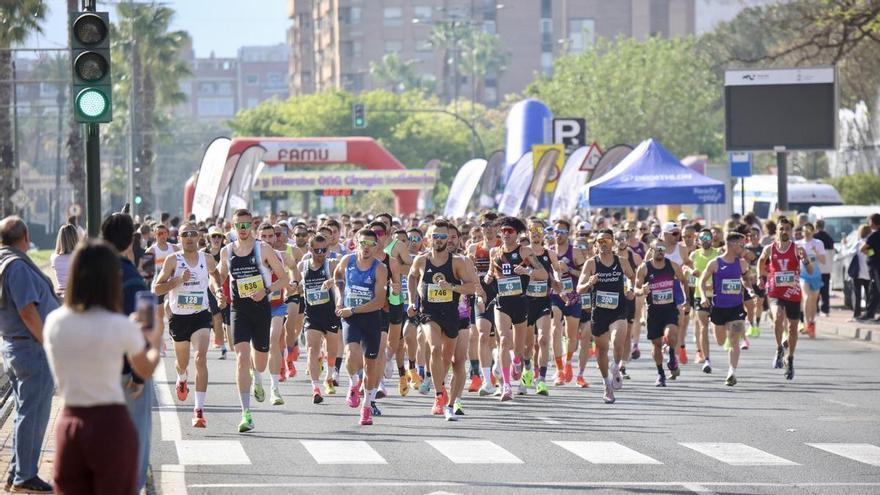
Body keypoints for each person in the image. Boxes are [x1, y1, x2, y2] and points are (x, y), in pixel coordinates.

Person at [43, 240, 162, 495]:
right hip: (111, 424)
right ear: (111, 279)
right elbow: (146, 369)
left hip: (70, 422)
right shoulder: (120, 326)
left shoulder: (54, 322)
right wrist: (154, 341)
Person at [216, 209, 290, 432]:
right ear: (233, 226)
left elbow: (284, 278)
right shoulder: (227, 251)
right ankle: (245, 413)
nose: (243, 229)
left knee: (259, 361)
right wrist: (218, 292)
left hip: (261, 309)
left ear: (252, 227)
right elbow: (219, 278)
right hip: (238, 309)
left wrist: (266, 290)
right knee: (241, 357)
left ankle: (258, 377)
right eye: (239, 225)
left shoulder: (263, 248)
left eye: (247, 225)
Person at [0, 216, 58, 493]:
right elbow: (27, 310)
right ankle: (24, 476)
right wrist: (47, 340)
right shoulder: (17, 266)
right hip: (31, 348)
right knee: (32, 414)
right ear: (25, 236)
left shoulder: (3, 261)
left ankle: (16, 472)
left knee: (26, 410)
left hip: (15, 345)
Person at [408, 220, 477, 419]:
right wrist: (413, 301)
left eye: (442, 237)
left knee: (448, 360)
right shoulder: (421, 260)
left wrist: (452, 288)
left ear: (448, 239)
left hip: (452, 313)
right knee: (435, 348)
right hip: (430, 312)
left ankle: (446, 394)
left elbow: (471, 286)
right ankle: (439, 395)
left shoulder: (457, 262)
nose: (438, 240)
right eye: (435, 236)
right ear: (428, 238)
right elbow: (412, 278)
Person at [154, 222, 219, 427]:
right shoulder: (173, 260)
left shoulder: (206, 258)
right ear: (179, 238)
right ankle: (182, 377)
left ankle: (198, 410)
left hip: (200, 314)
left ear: (199, 236)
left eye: (193, 234)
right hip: (179, 317)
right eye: (185, 235)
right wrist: (177, 281)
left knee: (200, 358)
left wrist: (218, 291)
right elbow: (157, 289)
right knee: (182, 364)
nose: (189, 238)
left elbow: (216, 277)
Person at [489, 216, 547, 402]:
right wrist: (488, 278)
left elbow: (543, 274)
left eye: (510, 231)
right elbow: (491, 272)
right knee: (504, 341)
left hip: (521, 302)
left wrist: (527, 271)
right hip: (502, 302)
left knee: (520, 349)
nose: (506, 234)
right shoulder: (494, 252)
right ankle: (506, 385)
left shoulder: (524, 252)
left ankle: (517, 361)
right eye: (503, 231)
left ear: (517, 234)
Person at [333, 229, 388, 426]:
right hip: (351, 318)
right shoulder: (347, 261)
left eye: (371, 244)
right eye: (363, 243)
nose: (366, 247)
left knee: (370, 365)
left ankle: (366, 407)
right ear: (356, 242)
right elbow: (337, 276)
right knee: (351, 353)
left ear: (376, 247)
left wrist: (353, 309)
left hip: (371, 318)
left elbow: (379, 301)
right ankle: (354, 383)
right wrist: (340, 297)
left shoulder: (380, 268)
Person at [577, 229, 636, 403]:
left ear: (613, 243)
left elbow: (632, 277)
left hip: (618, 310)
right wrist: (589, 282)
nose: (604, 244)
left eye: (607, 241)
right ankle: (606, 385)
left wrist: (631, 289)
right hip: (599, 312)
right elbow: (579, 289)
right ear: (595, 245)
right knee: (602, 351)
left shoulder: (622, 262)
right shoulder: (591, 264)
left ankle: (616, 368)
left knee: (618, 342)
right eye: (600, 241)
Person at [758, 217, 812, 380]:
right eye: (781, 229)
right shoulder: (769, 248)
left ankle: (790, 358)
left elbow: (809, 270)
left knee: (793, 328)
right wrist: (762, 277)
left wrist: (805, 259)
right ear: (777, 231)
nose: (784, 231)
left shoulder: (798, 249)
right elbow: (761, 261)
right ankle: (779, 348)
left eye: (787, 229)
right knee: (778, 317)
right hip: (775, 291)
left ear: (791, 231)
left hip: (793, 292)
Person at [699, 232, 752, 386]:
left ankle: (731, 372)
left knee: (735, 339)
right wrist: (703, 297)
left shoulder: (742, 264)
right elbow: (701, 282)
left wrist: (751, 288)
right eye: (740, 245)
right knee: (721, 341)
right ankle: (715, 329)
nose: (743, 247)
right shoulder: (714, 263)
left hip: (736, 307)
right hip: (718, 308)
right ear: (731, 245)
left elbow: (747, 279)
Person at [634, 239, 688, 388]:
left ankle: (671, 356)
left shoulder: (672, 265)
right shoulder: (644, 268)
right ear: (651, 250)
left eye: (663, 248)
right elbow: (636, 288)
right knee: (656, 344)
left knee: (671, 335)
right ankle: (661, 374)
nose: (660, 251)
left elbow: (684, 281)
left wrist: (686, 300)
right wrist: (642, 291)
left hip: (669, 309)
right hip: (653, 311)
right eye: (657, 248)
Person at [300, 234, 341, 403]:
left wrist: (332, 281)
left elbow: (343, 279)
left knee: (331, 352)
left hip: (330, 314)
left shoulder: (331, 264)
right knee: (311, 349)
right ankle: (315, 388)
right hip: (312, 315)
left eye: (324, 250)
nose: (321, 253)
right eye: (317, 250)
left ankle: (329, 377)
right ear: (310, 250)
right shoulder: (303, 265)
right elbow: (294, 282)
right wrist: (294, 286)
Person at [796, 223, 825, 338]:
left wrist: (816, 252)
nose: (807, 232)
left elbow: (823, 261)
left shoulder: (818, 243)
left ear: (813, 231)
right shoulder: (798, 244)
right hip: (803, 275)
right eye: (804, 230)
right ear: (802, 232)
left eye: (809, 230)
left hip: (816, 275)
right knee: (806, 297)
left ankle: (812, 324)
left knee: (813, 300)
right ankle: (806, 322)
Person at [858, 213, 880, 321]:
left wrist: (873, 254)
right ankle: (870, 312)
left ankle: (870, 313)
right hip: (876, 266)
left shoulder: (874, 236)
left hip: (876, 266)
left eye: (870, 221)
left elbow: (863, 249)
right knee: (874, 290)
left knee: (876, 289)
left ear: (875, 222)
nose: (869, 223)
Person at [50, 224, 79, 298]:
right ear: (75, 238)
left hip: (60, 296)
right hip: (76, 294)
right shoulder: (80, 256)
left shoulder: (54, 258)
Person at [813, 219, 835, 317]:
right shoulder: (829, 237)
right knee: (825, 290)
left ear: (815, 226)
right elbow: (832, 251)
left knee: (815, 288)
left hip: (816, 267)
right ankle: (825, 310)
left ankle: (815, 308)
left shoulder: (814, 238)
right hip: (826, 267)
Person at [852, 225, 872, 321]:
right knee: (869, 294)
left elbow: (849, 253)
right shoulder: (871, 243)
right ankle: (868, 312)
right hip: (868, 272)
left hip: (858, 272)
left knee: (857, 294)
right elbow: (873, 254)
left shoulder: (858, 243)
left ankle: (857, 313)